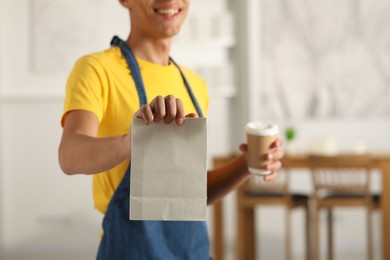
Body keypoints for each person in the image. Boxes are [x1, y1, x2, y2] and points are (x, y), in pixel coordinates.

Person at [58, 0, 284, 259]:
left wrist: (246, 164)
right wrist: (130, 142)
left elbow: (186, 193)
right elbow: (69, 155)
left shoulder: (195, 86)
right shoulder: (96, 70)